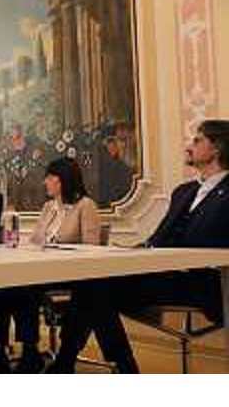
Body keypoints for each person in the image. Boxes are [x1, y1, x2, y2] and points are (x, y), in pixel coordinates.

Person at [49, 120, 229, 373]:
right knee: (92, 283)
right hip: (167, 276)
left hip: (208, 282)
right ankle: (117, 367)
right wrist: (134, 251)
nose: (189, 146)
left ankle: (70, 363)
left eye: (197, 140)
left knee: (95, 289)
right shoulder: (184, 191)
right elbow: (159, 239)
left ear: (217, 148)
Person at [0, 157, 101, 374]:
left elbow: (93, 248)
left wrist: (54, 249)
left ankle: (29, 353)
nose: (45, 182)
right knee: (2, 287)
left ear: (62, 179)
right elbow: (36, 240)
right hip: (40, 271)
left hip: (69, 275)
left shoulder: (85, 206)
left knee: (22, 288)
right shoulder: (48, 207)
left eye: (49, 177)